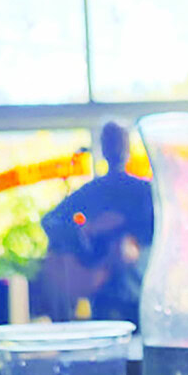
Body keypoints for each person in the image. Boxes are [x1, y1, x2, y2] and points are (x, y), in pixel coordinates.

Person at [40, 121, 154, 324]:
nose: (115, 148)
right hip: (103, 289)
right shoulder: (94, 191)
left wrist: (133, 241)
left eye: (119, 142)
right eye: (110, 142)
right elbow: (51, 221)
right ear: (103, 148)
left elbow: (164, 227)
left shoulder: (145, 191)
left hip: (142, 287)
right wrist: (88, 231)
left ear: (128, 147)